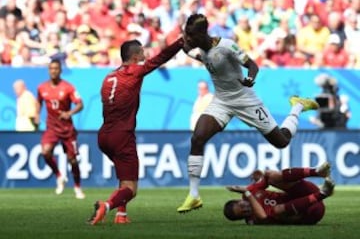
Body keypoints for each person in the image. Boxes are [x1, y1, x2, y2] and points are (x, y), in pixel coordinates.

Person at [177, 14, 320, 213]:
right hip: (221, 101)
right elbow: (203, 58)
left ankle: (297, 106)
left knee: (281, 141)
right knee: (197, 138)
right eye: (187, 34)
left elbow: (252, 65)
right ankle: (193, 195)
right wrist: (186, 51)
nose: (188, 38)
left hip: (245, 100)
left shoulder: (227, 46)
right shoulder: (200, 47)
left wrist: (250, 78)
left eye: (191, 35)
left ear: (202, 33)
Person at [87, 37, 184, 225]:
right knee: (131, 188)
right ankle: (105, 206)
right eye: (141, 51)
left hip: (104, 136)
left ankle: (121, 215)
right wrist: (181, 42)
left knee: (124, 177)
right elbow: (161, 58)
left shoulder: (108, 77)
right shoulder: (134, 72)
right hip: (121, 135)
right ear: (134, 56)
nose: (145, 54)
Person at [223, 162, 335, 225]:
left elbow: (265, 178)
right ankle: (323, 193)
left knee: (270, 175)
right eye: (243, 213)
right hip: (310, 212)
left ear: (239, 200)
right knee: (277, 210)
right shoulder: (253, 220)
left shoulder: (250, 191)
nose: (246, 209)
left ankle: (317, 172)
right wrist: (247, 193)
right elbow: (263, 216)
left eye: (242, 206)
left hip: (305, 192)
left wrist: (260, 177)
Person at [37, 59, 85, 199]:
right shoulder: (42, 88)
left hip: (67, 129)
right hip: (51, 127)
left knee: (73, 160)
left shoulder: (68, 87)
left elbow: (80, 104)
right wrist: (36, 115)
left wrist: (69, 113)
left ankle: (77, 187)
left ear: (60, 70)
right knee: (45, 152)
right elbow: (39, 102)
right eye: (51, 68)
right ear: (48, 70)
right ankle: (59, 176)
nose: (53, 71)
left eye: (56, 68)